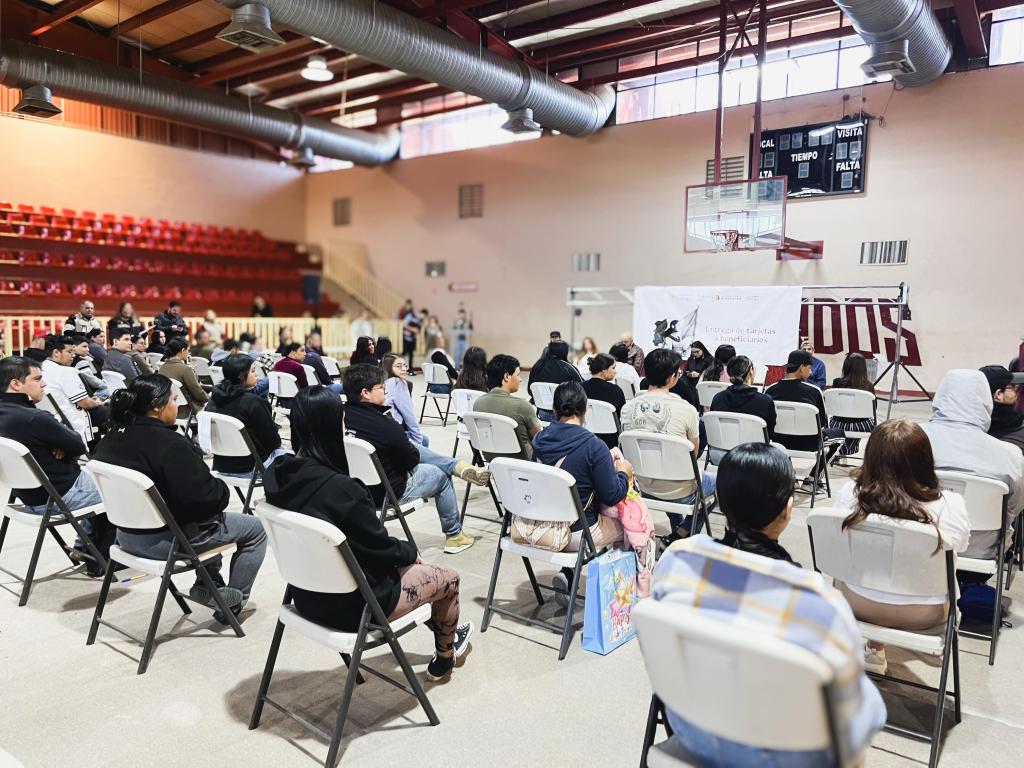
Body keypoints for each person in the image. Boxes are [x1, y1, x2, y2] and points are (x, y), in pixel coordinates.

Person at [653, 443, 887, 767]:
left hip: (692, 732)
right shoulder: (819, 603)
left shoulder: (678, 561)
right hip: (784, 755)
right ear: (788, 509)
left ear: (720, 500)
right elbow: (858, 723)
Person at [263, 387, 473, 679]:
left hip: (306, 597)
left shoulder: (275, 475)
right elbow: (380, 549)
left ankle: (441, 621)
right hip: (356, 608)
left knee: (414, 570)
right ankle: (445, 658)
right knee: (447, 578)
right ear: (333, 428)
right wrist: (411, 552)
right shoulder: (342, 490)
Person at [93, 375, 267, 623]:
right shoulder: (169, 444)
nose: (177, 406)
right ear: (156, 405)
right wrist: (220, 488)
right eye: (174, 400)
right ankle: (233, 603)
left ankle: (209, 584)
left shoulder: (112, 436)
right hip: (165, 543)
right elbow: (206, 501)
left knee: (199, 514)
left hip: (125, 537)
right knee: (254, 529)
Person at [835, 419, 971, 674]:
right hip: (924, 614)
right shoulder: (950, 505)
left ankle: (874, 648)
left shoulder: (849, 495)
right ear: (924, 460)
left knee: (863, 566)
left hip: (856, 601)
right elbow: (961, 546)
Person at [342, 364, 487, 554]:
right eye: (381, 387)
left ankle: (455, 465)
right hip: (388, 494)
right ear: (365, 393)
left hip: (356, 491)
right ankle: (455, 536)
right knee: (439, 474)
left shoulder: (340, 417)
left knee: (409, 444)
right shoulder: (385, 425)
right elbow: (411, 460)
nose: (386, 390)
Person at [531, 381, 654, 598]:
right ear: (585, 410)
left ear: (554, 410)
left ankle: (569, 573)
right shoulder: (593, 446)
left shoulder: (539, 440)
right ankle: (624, 595)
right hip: (576, 533)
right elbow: (613, 494)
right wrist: (623, 473)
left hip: (540, 527)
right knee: (633, 524)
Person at [0, 356, 108, 569]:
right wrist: (62, 445)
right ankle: (105, 554)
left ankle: (85, 547)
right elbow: (78, 446)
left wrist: (59, 446)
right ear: (16, 384)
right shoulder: (35, 418)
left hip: (28, 496)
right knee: (123, 484)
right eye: (37, 379)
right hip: (61, 496)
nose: (44, 384)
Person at [920, 369, 1024, 560]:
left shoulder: (910, 439)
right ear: (986, 402)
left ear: (941, 396)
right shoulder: (1011, 456)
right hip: (982, 549)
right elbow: (1013, 507)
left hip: (918, 539)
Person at [621, 348, 713, 542]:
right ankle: (683, 533)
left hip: (642, 486)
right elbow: (693, 454)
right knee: (721, 482)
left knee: (668, 468)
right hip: (681, 491)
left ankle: (679, 531)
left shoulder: (627, 409)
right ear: (672, 377)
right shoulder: (687, 410)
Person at [765, 349, 844, 480]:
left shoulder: (770, 390)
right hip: (810, 444)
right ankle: (813, 478)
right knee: (840, 435)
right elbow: (822, 423)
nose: (811, 372)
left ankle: (788, 474)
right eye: (809, 368)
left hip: (778, 442)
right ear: (801, 367)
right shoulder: (814, 392)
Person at [205, 355, 284, 477]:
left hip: (221, 465)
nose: (257, 374)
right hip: (252, 466)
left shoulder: (212, 402)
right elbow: (274, 442)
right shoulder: (253, 403)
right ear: (241, 376)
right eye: (253, 371)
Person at [709, 355, 777, 462]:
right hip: (755, 458)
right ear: (751, 371)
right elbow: (769, 435)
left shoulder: (718, 398)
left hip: (720, 455)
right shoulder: (765, 401)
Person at [474, 355, 542, 460]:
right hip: (524, 462)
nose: (520, 380)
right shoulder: (523, 406)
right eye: (518, 375)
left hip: (492, 459)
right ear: (507, 376)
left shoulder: (478, 403)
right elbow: (538, 439)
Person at [41, 334, 108, 441]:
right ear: (56, 353)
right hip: (74, 425)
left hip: (54, 421)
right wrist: (98, 402)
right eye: (69, 352)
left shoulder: (42, 367)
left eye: (73, 351)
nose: (73, 355)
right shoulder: (66, 372)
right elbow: (85, 403)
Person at [830, 352, 877, 456]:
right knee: (870, 422)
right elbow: (873, 409)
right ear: (863, 368)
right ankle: (849, 449)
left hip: (838, 424)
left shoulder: (837, 383)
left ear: (846, 366)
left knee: (833, 420)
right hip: (862, 426)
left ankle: (842, 449)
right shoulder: (868, 386)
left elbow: (831, 406)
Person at [528, 340, 582, 420]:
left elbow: (530, 390)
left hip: (542, 413)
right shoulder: (570, 368)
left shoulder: (538, 366)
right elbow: (581, 391)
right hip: (564, 415)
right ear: (565, 352)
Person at [582, 353, 626, 449]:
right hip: (610, 442)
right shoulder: (615, 391)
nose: (615, 372)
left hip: (585, 437)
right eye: (613, 368)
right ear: (604, 369)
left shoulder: (579, 388)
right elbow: (621, 417)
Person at [383, 354, 428, 446]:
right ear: (389, 368)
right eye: (398, 366)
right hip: (394, 432)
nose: (404, 369)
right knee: (424, 441)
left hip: (382, 429)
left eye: (405, 365)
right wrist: (418, 443)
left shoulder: (382, 382)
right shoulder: (398, 383)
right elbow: (409, 416)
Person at [158, 337, 208, 419]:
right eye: (188, 350)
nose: (188, 353)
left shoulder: (162, 368)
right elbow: (199, 394)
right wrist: (210, 399)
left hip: (166, 409)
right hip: (186, 411)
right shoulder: (186, 369)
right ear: (183, 350)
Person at [980, 365, 1024, 454]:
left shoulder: (975, 424)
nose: (1017, 389)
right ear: (999, 394)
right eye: (1013, 386)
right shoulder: (1015, 432)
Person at [69, 334, 108, 398]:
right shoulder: (81, 362)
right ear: (74, 347)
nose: (88, 349)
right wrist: (107, 385)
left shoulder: (79, 359)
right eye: (84, 346)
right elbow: (94, 382)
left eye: (87, 347)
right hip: (92, 393)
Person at [401, 304, 420, 370]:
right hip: (406, 338)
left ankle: (410, 368)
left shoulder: (416, 317)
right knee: (404, 353)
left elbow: (418, 327)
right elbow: (404, 325)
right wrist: (412, 329)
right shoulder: (409, 316)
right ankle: (401, 367)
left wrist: (417, 330)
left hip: (413, 339)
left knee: (411, 354)